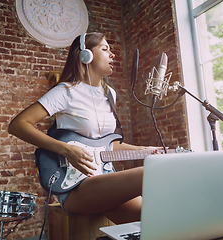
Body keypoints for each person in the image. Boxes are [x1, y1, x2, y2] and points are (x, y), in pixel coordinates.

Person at [8, 32, 162, 224]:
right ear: (85, 56)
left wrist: (144, 151)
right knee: (154, 172)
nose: (112, 54)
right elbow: (18, 125)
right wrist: (66, 150)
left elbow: (106, 146)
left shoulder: (109, 94)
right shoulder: (66, 91)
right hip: (76, 186)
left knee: (155, 217)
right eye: (105, 49)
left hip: (106, 177)